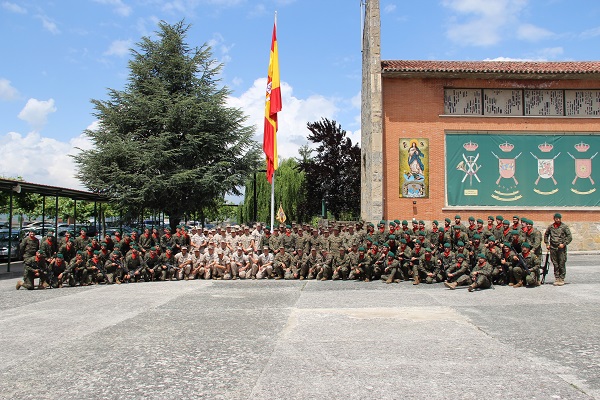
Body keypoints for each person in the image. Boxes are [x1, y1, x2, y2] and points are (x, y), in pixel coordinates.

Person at [544, 213, 572, 286]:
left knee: (561, 263)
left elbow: (569, 237)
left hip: (561, 248)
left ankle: (562, 278)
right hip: (553, 248)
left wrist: (564, 244)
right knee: (555, 263)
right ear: (554, 219)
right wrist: (547, 244)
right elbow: (546, 235)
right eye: (556, 218)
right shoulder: (551, 227)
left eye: (559, 218)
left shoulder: (564, 227)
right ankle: (557, 278)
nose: (558, 220)